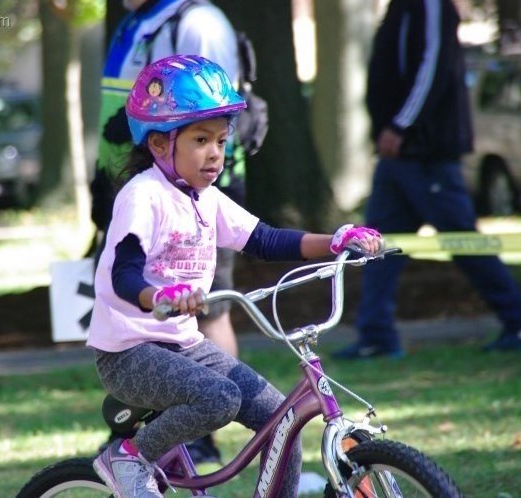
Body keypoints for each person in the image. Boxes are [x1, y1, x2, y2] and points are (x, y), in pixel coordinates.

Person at [88, 55, 385, 498]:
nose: (215, 153)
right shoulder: (143, 195)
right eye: (201, 139)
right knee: (219, 398)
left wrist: (338, 239)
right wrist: (159, 297)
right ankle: (128, 458)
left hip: (185, 346)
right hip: (130, 352)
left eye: (222, 141)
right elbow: (122, 274)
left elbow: (264, 239)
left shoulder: (207, 197)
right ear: (158, 144)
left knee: (279, 420)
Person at [333, 0, 521, 360]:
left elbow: (431, 66)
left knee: (463, 241)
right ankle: (376, 335)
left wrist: (402, 124)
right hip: (397, 158)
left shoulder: (430, 5)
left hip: (426, 154)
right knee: (374, 246)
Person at [91, 0, 245, 463]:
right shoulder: (134, 23)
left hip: (193, 195)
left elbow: (212, 120)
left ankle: (197, 436)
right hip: (140, 187)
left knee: (211, 307)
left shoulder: (195, 22)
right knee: (149, 298)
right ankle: (159, 436)